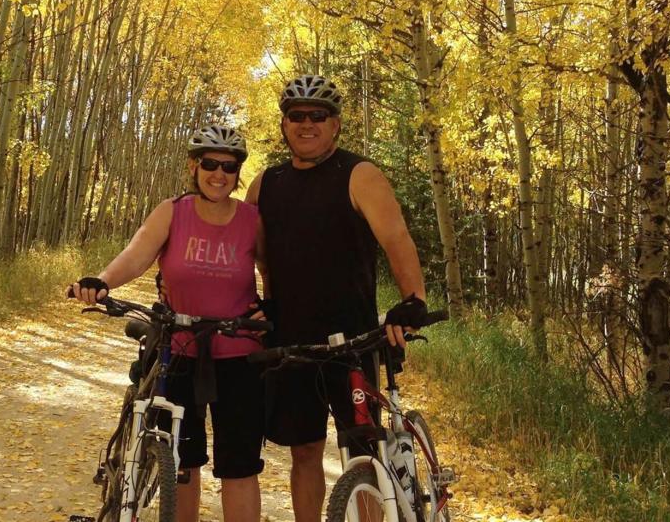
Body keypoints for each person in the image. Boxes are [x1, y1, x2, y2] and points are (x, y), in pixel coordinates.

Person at [246, 74, 428, 522]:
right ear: (284, 124)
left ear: (336, 124)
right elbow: (259, 257)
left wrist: (413, 299)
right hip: (291, 340)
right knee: (304, 451)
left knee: (362, 452)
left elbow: (397, 239)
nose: (307, 124)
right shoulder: (265, 184)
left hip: (353, 339)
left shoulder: (358, 174)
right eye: (297, 116)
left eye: (318, 116)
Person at [70, 124, 265, 522]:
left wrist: (274, 307)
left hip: (240, 353)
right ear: (194, 166)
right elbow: (137, 254)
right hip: (178, 349)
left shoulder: (252, 219)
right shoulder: (172, 211)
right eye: (209, 163)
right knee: (181, 462)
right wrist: (103, 281)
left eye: (229, 167)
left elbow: (274, 273)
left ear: (237, 172)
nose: (219, 174)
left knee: (240, 467)